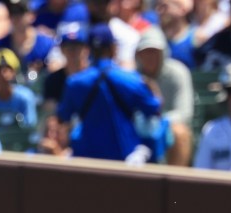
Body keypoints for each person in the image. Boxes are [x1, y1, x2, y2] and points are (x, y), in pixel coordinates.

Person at [55, 23, 162, 163]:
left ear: (89, 49)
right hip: (124, 159)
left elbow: (63, 117)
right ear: (113, 48)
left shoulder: (74, 82)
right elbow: (154, 108)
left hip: (85, 158)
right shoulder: (131, 79)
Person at [135, 26, 194, 166]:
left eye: (154, 52)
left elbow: (185, 113)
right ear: (138, 55)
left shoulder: (178, 73)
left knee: (180, 132)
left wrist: (159, 121)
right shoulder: (132, 78)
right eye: (146, 52)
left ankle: (176, 184)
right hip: (138, 128)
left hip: (168, 130)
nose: (150, 57)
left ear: (163, 53)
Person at [0, 0, 63, 78]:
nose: (16, 17)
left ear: (32, 15)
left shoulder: (47, 44)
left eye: (20, 12)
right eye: (12, 12)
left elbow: (57, 68)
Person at [0, 47, 38, 128]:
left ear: (14, 72)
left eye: (7, 70)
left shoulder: (25, 97)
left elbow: (30, 128)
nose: (3, 75)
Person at [42, 22, 89, 113]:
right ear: (61, 50)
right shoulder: (53, 80)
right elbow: (50, 110)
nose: (73, 51)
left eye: (77, 46)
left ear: (86, 49)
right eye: (68, 47)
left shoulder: (95, 77)